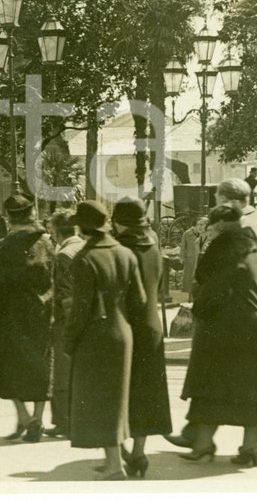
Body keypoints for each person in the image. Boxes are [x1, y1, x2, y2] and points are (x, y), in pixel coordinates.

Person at [166, 178, 257, 454]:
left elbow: (225, 277)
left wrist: (202, 306)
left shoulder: (243, 227)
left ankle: (204, 437)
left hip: (238, 316)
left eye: (218, 201)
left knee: (223, 379)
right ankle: (217, 438)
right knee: (249, 382)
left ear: (229, 202)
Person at [178, 204, 257, 468]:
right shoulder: (250, 244)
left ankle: (203, 444)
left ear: (220, 224)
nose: (207, 231)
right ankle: (249, 446)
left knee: (210, 385)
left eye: (210, 226)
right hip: (252, 323)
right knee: (250, 390)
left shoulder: (223, 246)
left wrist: (198, 308)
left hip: (226, 326)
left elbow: (208, 283)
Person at [64, 200, 146, 481]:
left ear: (81, 227)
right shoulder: (125, 253)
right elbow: (141, 300)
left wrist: (68, 341)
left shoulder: (85, 259)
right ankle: (115, 459)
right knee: (116, 398)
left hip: (94, 334)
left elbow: (79, 310)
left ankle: (114, 465)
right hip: (123, 330)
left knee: (99, 400)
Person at [111, 197, 172, 478]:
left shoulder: (120, 248)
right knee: (146, 392)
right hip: (151, 325)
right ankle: (139, 452)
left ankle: (120, 449)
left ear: (118, 221)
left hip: (126, 325)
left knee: (120, 390)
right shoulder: (153, 244)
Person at [0, 193, 55, 443]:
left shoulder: (9, 244)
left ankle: (24, 415)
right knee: (41, 364)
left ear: (9, 217)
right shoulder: (46, 242)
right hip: (42, 309)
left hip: (13, 311)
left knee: (8, 366)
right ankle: (37, 417)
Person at [46, 209, 84, 439]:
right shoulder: (84, 247)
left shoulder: (63, 255)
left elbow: (64, 293)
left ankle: (63, 421)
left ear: (56, 231)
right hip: (86, 319)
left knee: (62, 372)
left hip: (66, 320)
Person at [180, 217, 207, 296]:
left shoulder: (204, 235)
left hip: (199, 258)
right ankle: (189, 295)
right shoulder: (187, 234)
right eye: (198, 225)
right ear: (194, 226)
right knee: (189, 277)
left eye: (202, 225)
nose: (200, 227)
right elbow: (183, 247)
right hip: (190, 258)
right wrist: (182, 257)